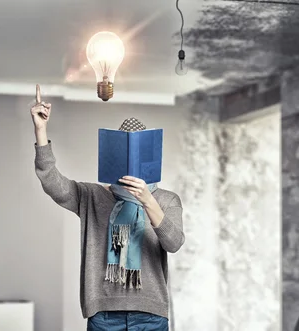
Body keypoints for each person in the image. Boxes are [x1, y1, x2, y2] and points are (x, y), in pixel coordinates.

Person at [30, 85, 184, 331]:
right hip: (104, 317)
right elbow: (52, 182)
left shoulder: (166, 199)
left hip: (151, 315)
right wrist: (40, 130)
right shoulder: (93, 196)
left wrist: (147, 200)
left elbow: (174, 243)